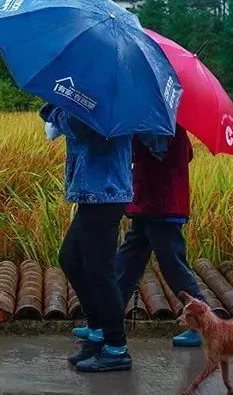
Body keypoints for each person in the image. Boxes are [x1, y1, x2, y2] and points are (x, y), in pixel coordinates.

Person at [79, 124, 206, 348]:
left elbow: (151, 153)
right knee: (126, 264)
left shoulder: (161, 126)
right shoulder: (161, 123)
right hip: (146, 204)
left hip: (162, 206)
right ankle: (108, 323)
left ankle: (202, 324)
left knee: (172, 264)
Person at [41, 103, 134, 372]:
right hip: (92, 193)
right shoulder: (95, 93)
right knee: (70, 259)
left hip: (104, 192)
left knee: (100, 272)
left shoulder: (110, 99)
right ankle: (97, 330)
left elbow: (80, 126)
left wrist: (54, 111)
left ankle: (116, 348)